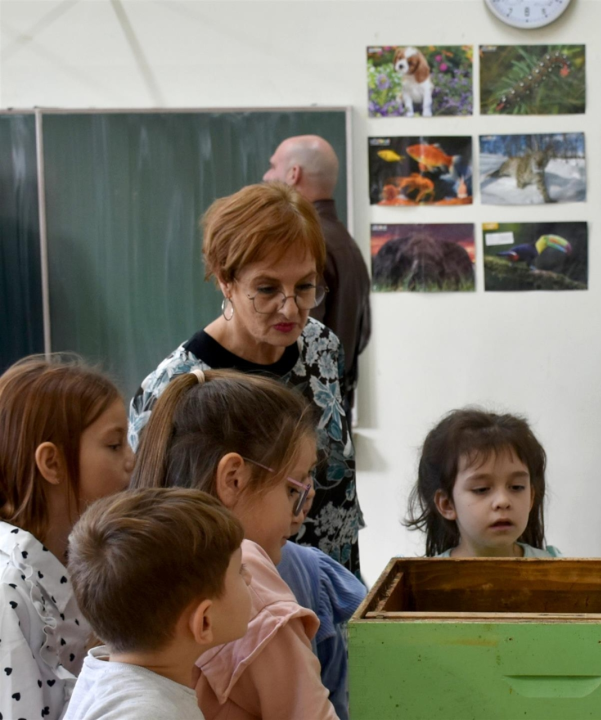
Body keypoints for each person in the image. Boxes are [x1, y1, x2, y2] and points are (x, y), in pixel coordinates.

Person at [129, 182, 363, 577]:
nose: (290, 307)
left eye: (305, 286)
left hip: (335, 583)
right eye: (267, 289)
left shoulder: (322, 347)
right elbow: (158, 530)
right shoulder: (176, 387)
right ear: (225, 280)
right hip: (243, 610)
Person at [131, 369, 337, 720]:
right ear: (234, 479)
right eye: (294, 490)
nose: (300, 515)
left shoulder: (133, 558)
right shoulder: (246, 572)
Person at [0, 356, 134, 720]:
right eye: (114, 445)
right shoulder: (8, 589)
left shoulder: (80, 555)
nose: (131, 460)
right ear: (52, 464)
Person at [65, 488, 251, 720]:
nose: (250, 578)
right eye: (240, 570)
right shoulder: (149, 714)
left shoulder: (105, 678)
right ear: (204, 621)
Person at [263, 135, 372, 422]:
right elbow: (363, 334)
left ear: (293, 174)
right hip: (335, 408)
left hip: (300, 415)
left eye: (273, 167)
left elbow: (300, 337)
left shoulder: (303, 246)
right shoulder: (349, 246)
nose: (266, 176)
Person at [405, 408, 559, 558]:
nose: (503, 501)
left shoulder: (557, 571)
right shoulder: (426, 579)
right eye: (482, 489)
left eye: (517, 487)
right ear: (447, 504)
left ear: (531, 497)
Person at [277, 491, 366, 720]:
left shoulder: (306, 571)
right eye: (293, 485)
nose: (311, 491)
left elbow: (334, 696)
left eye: (310, 474)